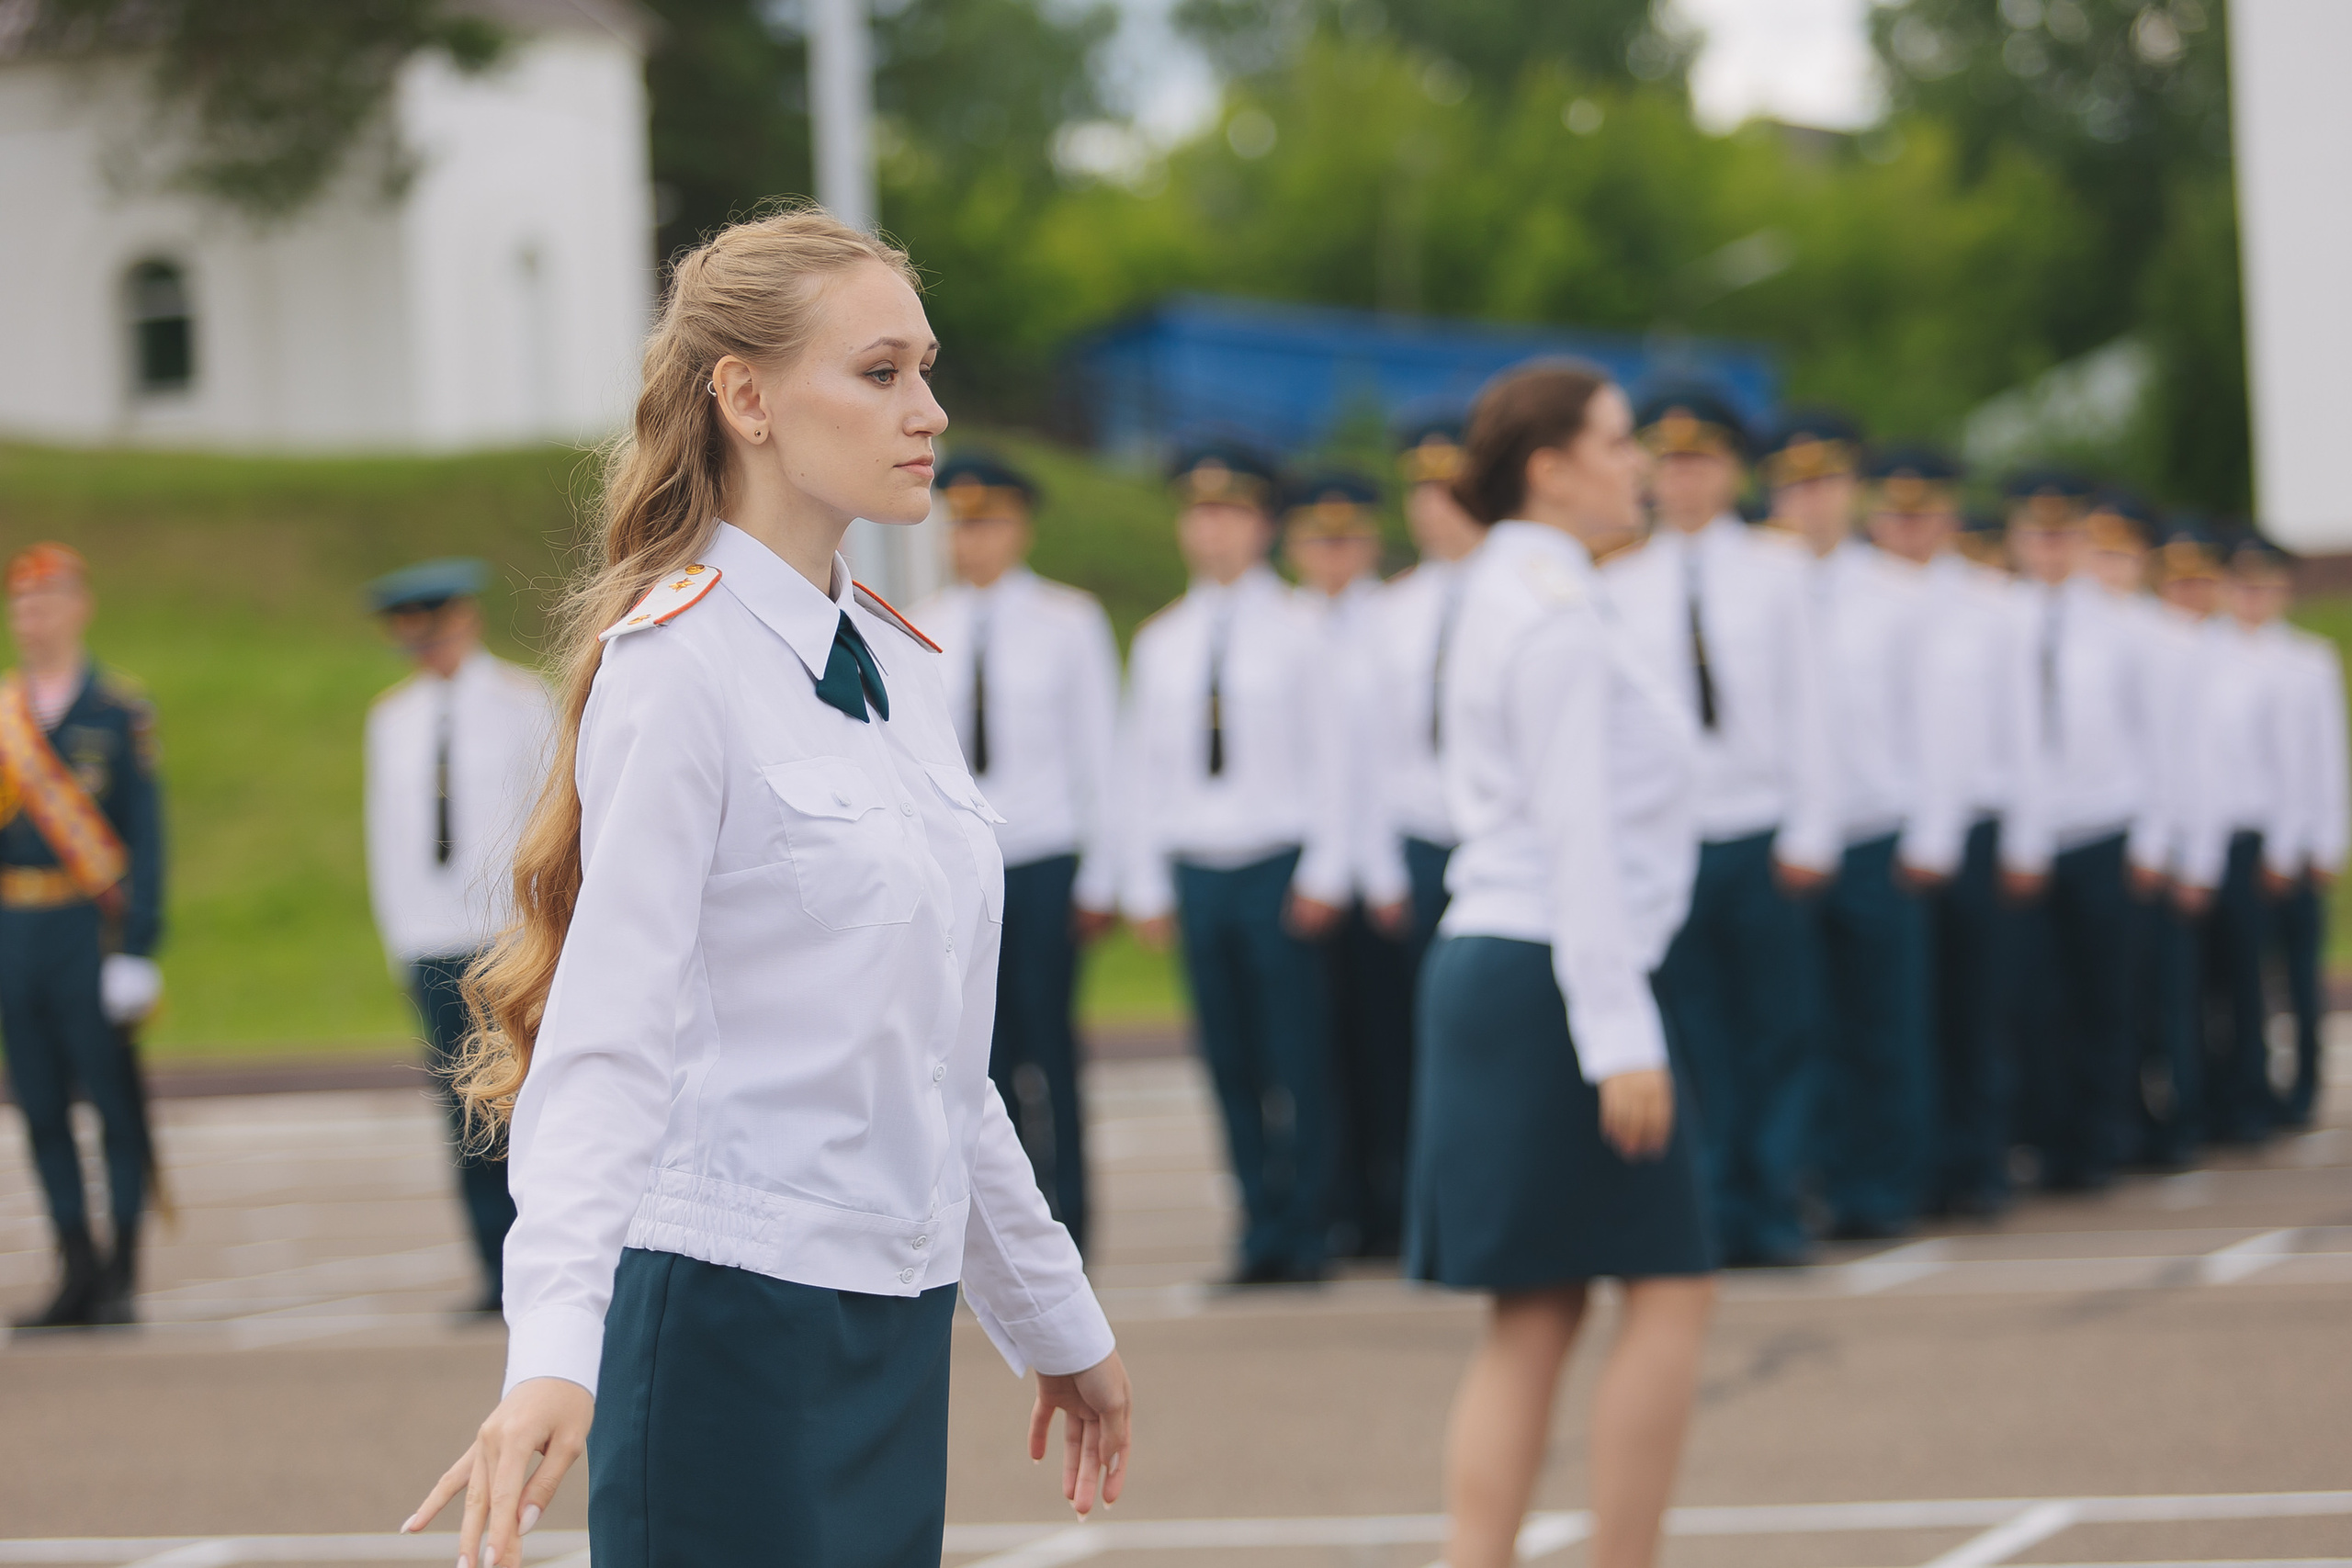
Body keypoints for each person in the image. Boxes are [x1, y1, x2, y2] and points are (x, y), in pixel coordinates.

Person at [403, 209, 1129, 1568]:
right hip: (734, 1316)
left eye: (925, 367)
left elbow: (940, 1055)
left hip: (890, 1320)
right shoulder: (677, 666)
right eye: (878, 372)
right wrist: (555, 1347)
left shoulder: (899, 665)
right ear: (745, 396)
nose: (930, 408)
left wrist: (1055, 1318)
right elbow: (607, 1039)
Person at [1409, 359, 1713, 1568]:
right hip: (1552, 972)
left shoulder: (1513, 587)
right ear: (1550, 465)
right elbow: (1576, 832)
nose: (1637, 462)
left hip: (1518, 966)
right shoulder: (1549, 608)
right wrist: (1622, 1032)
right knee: (1672, 1284)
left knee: (1537, 1310)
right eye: (1617, 439)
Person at [1603, 381, 1838, 1269]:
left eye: (1700, 460)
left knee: (1776, 1027)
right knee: (1688, 1034)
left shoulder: (1780, 572)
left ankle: (1773, 1202)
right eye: (1667, 461)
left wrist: (1811, 829)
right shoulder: (1618, 581)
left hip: (1759, 825)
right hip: (1668, 841)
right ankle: (1705, 1205)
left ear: (1734, 470)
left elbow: (1810, 710)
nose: (1684, 479)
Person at [1119, 439, 1351, 1286]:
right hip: (1198, 864)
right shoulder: (1163, 641)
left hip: (1276, 862)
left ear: (1262, 525)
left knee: (1298, 1053)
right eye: (1199, 513)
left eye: (1230, 514)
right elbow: (1141, 768)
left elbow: (1332, 758)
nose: (1210, 531)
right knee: (1229, 1059)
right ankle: (1258, 1222)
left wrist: (1329, 867)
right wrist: (1144, 879)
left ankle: (1312, 1222)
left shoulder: (1301, 629)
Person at [913, 451, 1123, 1253]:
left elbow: (1097, 751)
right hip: (962, 867)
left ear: (1022, 526)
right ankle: (989, 1230)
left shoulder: (1069, 623)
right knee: (972, 1056)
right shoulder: (922, 623)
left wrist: (1103, 874)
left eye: (989, 522)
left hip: (1041, 856)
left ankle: (1070, 1222)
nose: (972, 540)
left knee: (1049, 1048)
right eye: (960, 523)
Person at [1769, 413, 1955, 1241]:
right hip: (1784, 840)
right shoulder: (1758, 589)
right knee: (1795, 1024)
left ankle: (1880, 1184)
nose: (1812, 501)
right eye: (1796, 484)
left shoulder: (1897, 594)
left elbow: (1936, 727)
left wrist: (1931, 834)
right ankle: (1811, 1175)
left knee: (1882, 1022)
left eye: (1827, 482)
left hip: (1878, 830)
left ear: (1853, 491)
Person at [364, 558, 555, 1312]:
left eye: (434, 631)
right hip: (432, 939)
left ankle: (545, 1265)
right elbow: (386, 834)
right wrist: (399, 939)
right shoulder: (391, 718)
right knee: (460, 1111)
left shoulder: (521, 701)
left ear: (465, 621)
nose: (425, 648)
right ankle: (493, 1269)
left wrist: (541, 932)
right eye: (412, 637)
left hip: (504, 938)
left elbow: (545, 823)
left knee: (526, 1106)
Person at [1863, 446, 2040, 1215]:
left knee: (1974, 1008)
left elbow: (2023, 733)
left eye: (1924, 511)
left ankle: (1978, 1163)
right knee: (1898, 1015)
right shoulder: (1844, 600)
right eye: (1897, 512)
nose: (1909, 527)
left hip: (1972, 829)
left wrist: (2027, 840)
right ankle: (1915, 1163)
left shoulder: (1988, 605)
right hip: (1882, 825)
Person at [0, 543, 164, 1329]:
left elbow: (147, 836)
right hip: (15, 925)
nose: (32, 615)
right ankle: (75, 1263)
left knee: (112, 1102)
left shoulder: (118, 711)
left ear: (79, 606)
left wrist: (138, 944)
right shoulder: (6, 714)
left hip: (87, 927)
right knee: (37, 1103)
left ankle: (122, 1269)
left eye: (47, 599)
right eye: (21, 602)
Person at [2004, 468, 2162, 1191]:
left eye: (2064, 533)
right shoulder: (1995, 618)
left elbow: (2154, 738)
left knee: (2106, 996)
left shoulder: (2122, 623)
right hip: (2027, 838)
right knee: (2037, 1001)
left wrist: (2152, 838)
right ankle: (2049, 1137)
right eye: (2037, 533)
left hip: (2103, 828)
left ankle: (2103, 1138)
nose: (2050, 547)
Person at [1283, 467, 1414, 1258]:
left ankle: (1395, 1203)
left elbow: (1390, 765)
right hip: (1306, 874)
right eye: (1319, 539)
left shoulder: (1398, 621)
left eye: (1349, 538)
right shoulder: (1282, 624)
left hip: (1386, 871)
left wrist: (1382, 868)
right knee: (1319, 1050)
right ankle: (1336, 1202)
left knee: (1391, 1047)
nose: (1334, 555)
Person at [2177, 536, 2302, 1145]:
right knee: (2202, 980)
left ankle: (2249, 1096)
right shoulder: (2198, 652)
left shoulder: (2282, 661)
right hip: (2194, 838)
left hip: (2247, 834)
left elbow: (2292, 763)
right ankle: (2209, 1096)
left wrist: (2287, 844)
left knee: (2246, 978)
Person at [1373, 415, 1481, 955]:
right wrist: (1380, 863)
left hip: (1495, 838)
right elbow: (1373, 744)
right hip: (1416, 836)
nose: (1433, 507)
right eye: (1421, 491)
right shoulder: (1392, 608)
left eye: (1448, 489)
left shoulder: (1522, 599)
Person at [2139, 519, 2227, 1164]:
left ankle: (2193, 1112)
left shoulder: (2182, 646)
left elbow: (2196, 761)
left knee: (2189, 993)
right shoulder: (2144, 639)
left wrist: (2197, 853)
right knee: (2146, 999)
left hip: (2188, 839)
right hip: (2144, 841)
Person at [2274, 560, 2347, 1128]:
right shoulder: (2207, 655)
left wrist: (2328, 839)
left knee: (2301, 971)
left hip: (2299, 838)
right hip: (2237, 838)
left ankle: (2304, 1084)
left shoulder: (2307, 657)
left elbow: (2327, 757)